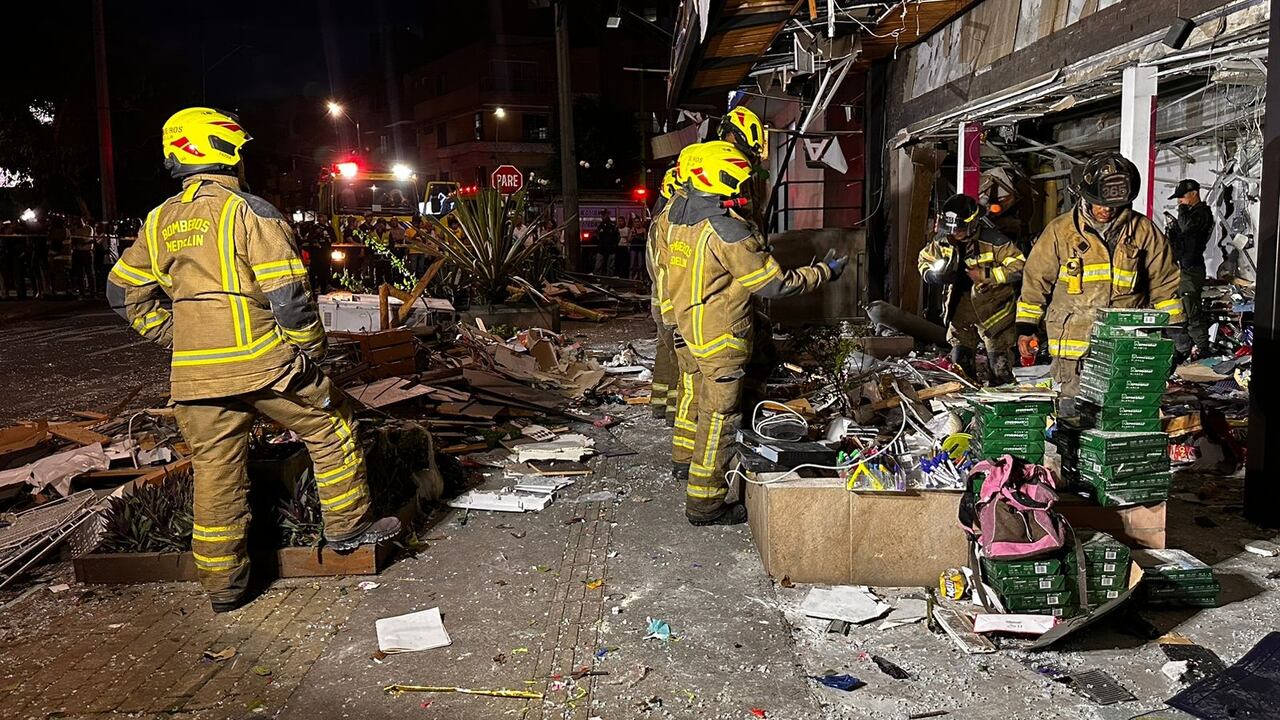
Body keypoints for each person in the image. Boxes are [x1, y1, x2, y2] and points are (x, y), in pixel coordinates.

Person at [106, 107, 401, 613]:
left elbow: (121, 293)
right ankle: (350, 532)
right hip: (264, 364)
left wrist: (175, 335)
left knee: (215, 471)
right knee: (333, 427)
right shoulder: (250, 212)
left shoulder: (159, 221)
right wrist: (311, 351)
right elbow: (288, 296)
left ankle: (224, 590)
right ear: (224, 151)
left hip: (195, 377)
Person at [665, 141, 844, 525]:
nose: (740, 189)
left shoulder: (677, 218)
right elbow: (773, 284)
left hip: (688, 332)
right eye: (735, 181)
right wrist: (824, 272)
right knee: (719, 420)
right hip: (720, 341)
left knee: (694, 405)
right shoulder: (726, 230)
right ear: (714, 178)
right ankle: (706, 505)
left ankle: (686, 468)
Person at [1016, 152, 1183, 398]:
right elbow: (1035, 281)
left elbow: (1164, 282)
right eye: (1099, 202)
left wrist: (1175, 328)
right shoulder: (1060, 232)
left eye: (1113, 205)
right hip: (1074, 348)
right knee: (1073, 413)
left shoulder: (1143, 231)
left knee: (1120, 410)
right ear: (1085, 196)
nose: (1106, 210)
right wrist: (1026, 327)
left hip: (1124, 344)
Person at [917, 194, 1024, 385]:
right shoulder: (943, 241)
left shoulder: (996, 242)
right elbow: (924, 259)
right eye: (950, 228)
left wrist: (987, 275)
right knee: (962, 371)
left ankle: (1001, 409)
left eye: (958, 228)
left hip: (995, 313)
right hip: (960, 310)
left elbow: (1020, 267)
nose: (954, 233)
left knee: (999, 368)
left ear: (972, 223)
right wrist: (932, 275)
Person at [1165, 179, 1214, 360]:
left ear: (1193, 194)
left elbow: (1188, 227)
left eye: (1182, 198)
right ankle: (1184, 349)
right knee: (1181, 311)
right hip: (1183, 268)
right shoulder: (1194, 214)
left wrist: (1182, 210)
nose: (1179, 202)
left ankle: (1202, 349)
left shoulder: (1202, 214)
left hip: (1192, 269)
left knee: (1192, 311)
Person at [594, 211, 620, 275]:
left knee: (610, 266)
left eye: (606, 215)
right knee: (598, 265)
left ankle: (610, 280)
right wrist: (600, 242)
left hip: (611, 249)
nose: (605, 217)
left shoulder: (613, 226)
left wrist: (614, 245)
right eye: (603, 216)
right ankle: (597, 278)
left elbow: (618, 237)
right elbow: (597, 235)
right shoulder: (600, 226)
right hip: (601, 249)